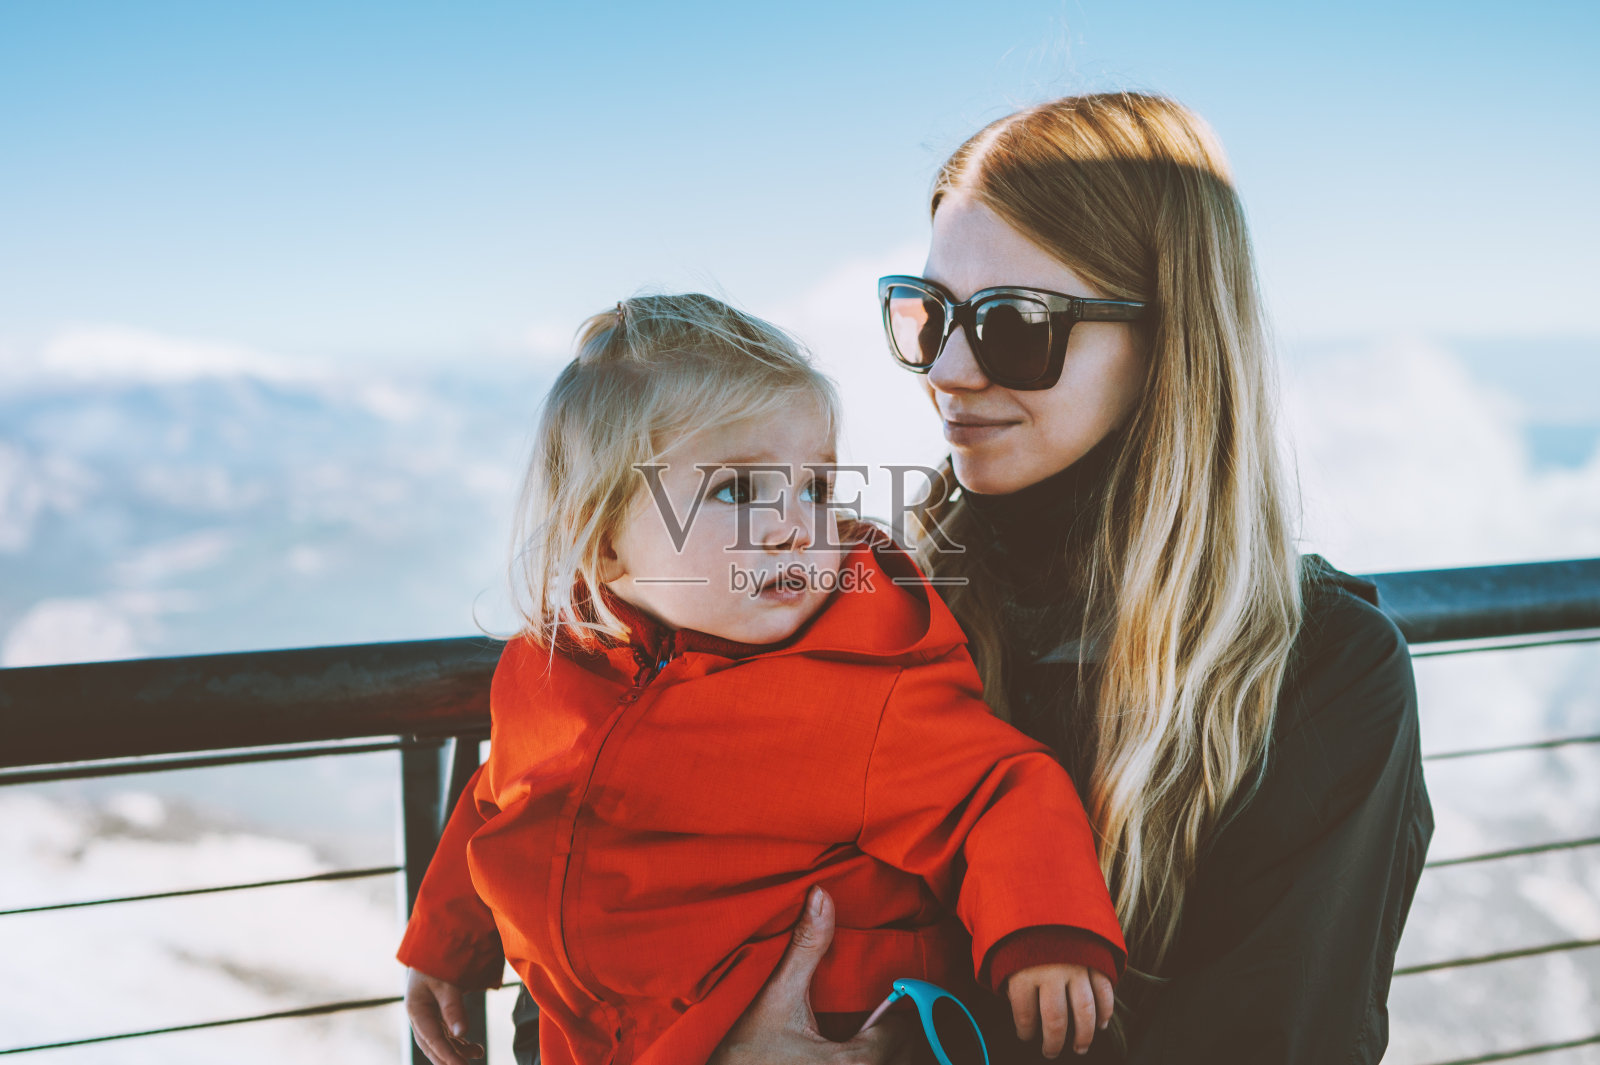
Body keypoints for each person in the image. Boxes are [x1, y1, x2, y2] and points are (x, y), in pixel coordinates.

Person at [699, 92, 1434, 1064]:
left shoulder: (1318, 676)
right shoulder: (864, 610)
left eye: (1013, 323)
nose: (946, 370)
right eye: (928, 314)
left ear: (1167, 341)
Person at [397, 293, 1129, 1065]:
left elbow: (997, 787)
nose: (794, 526)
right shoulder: (549, 668)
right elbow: (506, 805)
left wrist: (1045, 931)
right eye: (737, 491)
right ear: (605, 541)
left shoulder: (858, 677)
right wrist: (448, 944)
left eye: (815, 487)